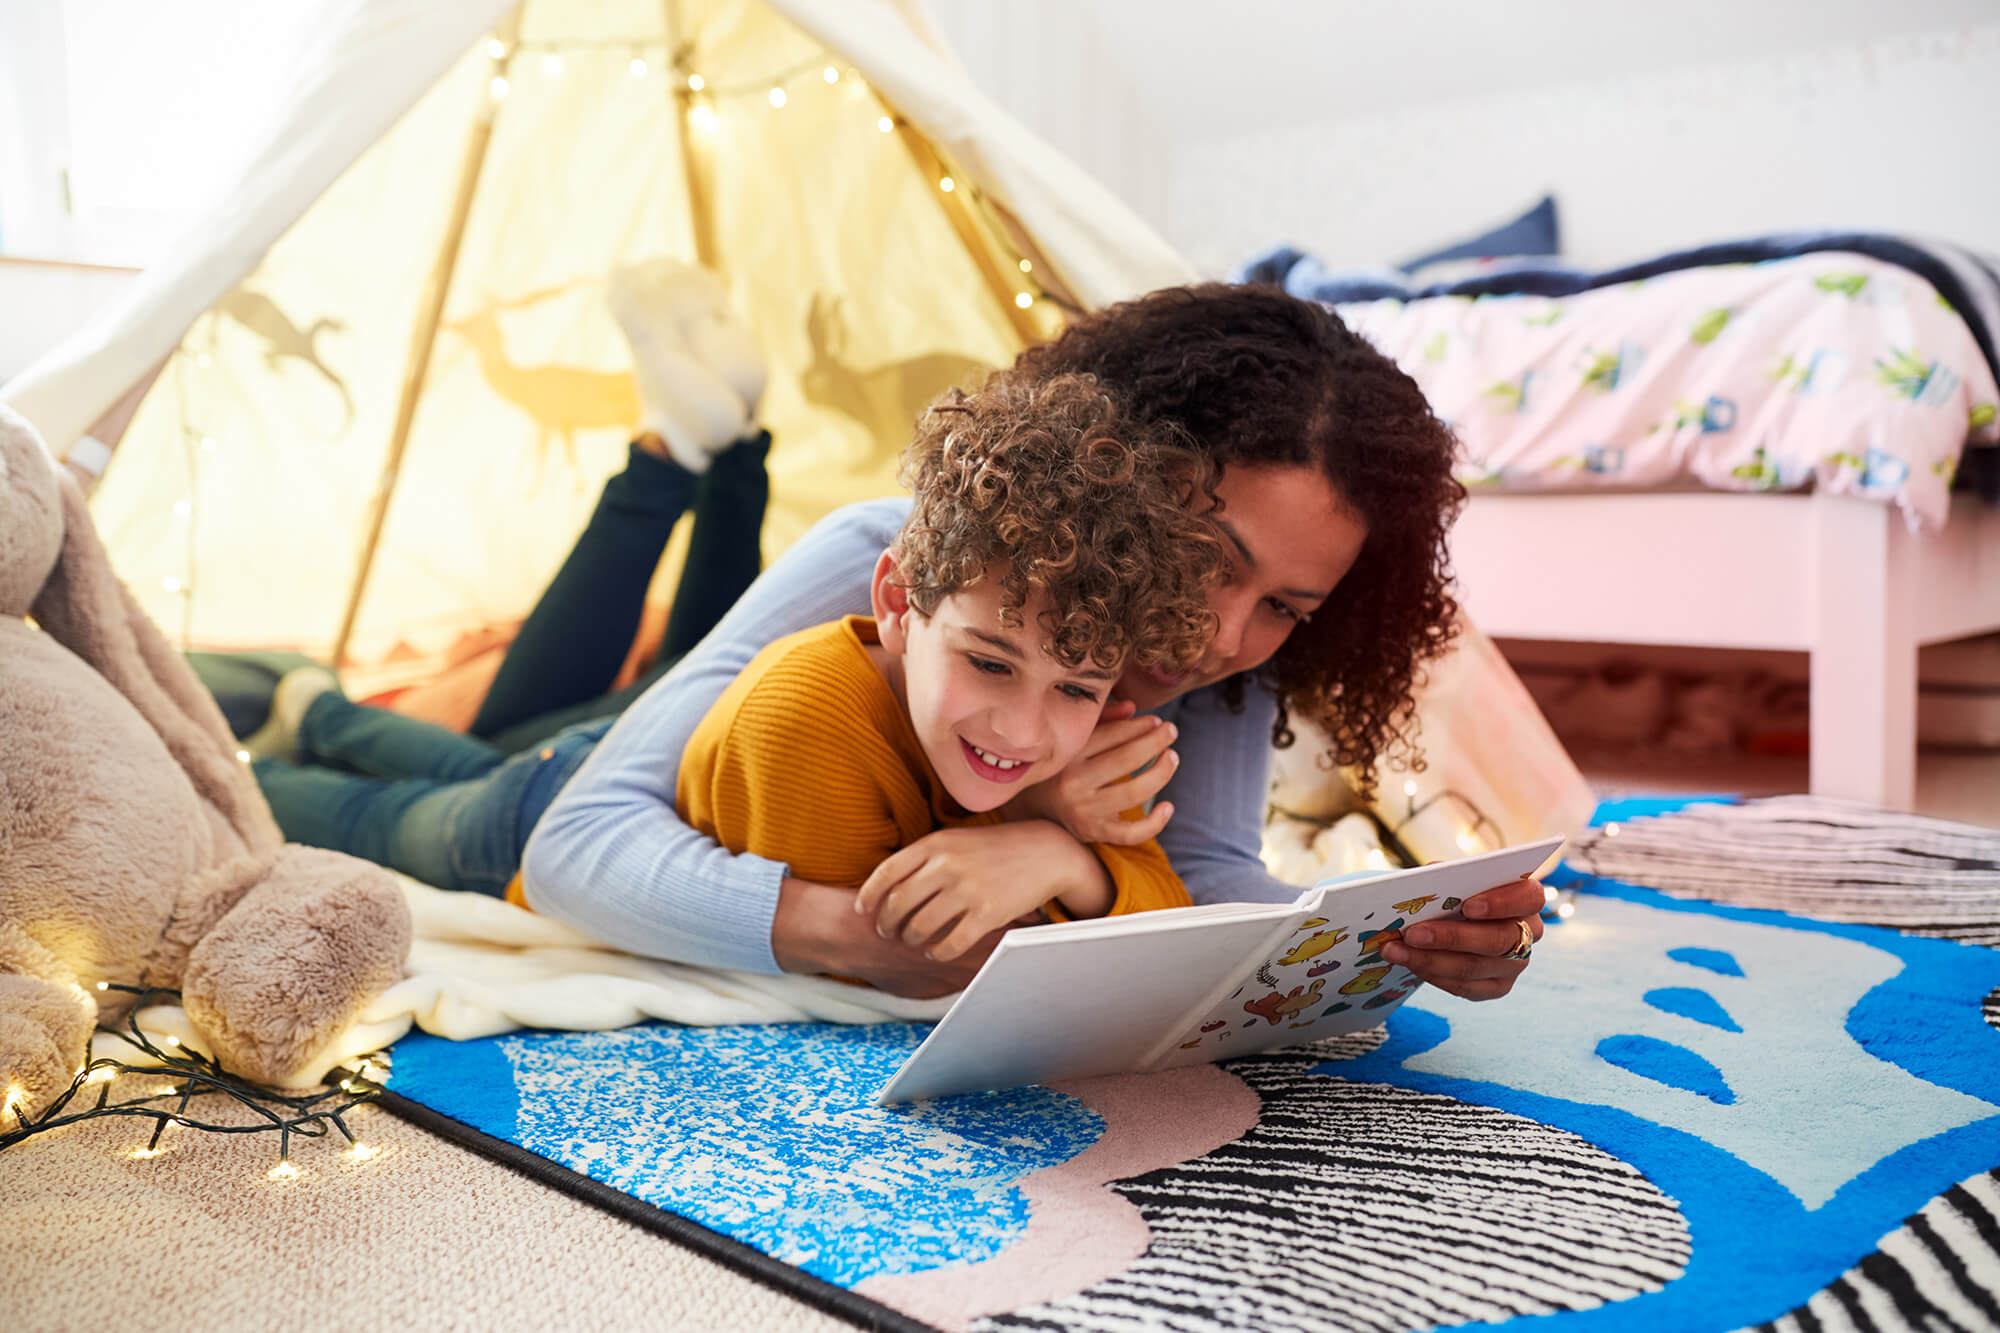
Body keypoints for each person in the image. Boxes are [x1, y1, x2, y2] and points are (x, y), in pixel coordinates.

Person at [522, 281, 1549, 1001]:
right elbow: (576, 847)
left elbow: (1208, 879)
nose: (1222, 635)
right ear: (1131, 463)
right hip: (549, 784)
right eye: (1211, 555)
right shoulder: (894, 558)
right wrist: (882, 941)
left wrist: (1392, 940)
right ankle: (686, 452)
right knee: (390, 771)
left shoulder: (1237, 674)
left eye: (1285, 606)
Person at [613, 369, 1226, 958]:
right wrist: (1038, 819)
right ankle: (672, 451)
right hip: (539, 796)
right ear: (898, 602)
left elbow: (1167, 932)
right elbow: (921, 958)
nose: (1021, 731)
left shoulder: (1064, 742)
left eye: (1076, 689)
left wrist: (1057, 857)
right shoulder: (807, 717)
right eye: (989, 664)